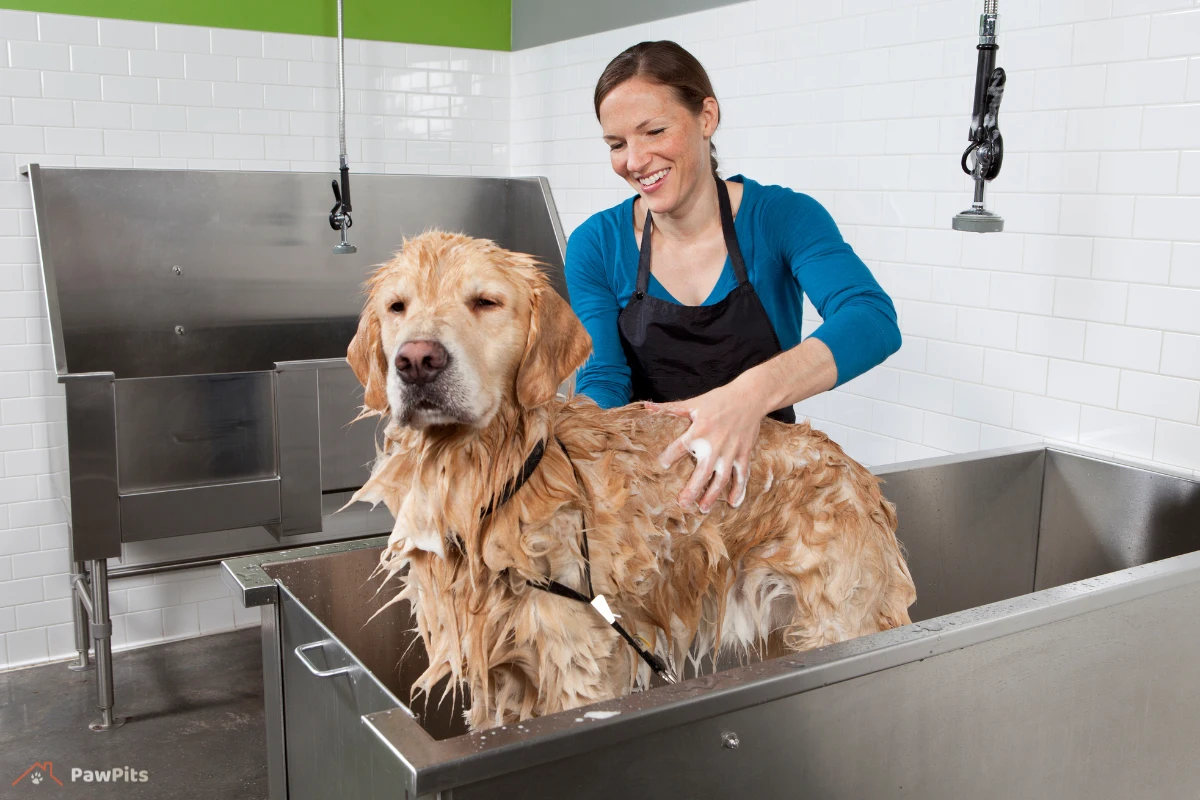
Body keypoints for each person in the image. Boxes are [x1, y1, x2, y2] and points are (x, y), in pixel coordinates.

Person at [565, 40, 901, 516]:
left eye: (654, 131)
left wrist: (745, 397)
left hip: (767, 497)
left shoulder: (781, 218)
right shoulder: (596, 245)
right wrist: (571, 446)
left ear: (706, 117)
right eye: (617, 144)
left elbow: (871, 318)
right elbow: (604, 375)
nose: (634, 161)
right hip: (650, 499)